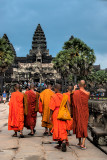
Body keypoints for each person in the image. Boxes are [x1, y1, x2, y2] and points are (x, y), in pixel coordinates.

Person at [49, 84, 68, 152]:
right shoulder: (64, 96)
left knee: (57, 128)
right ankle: (63, 141)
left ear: (56, 89)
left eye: (54, 88)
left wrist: (50, 116)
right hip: (63, 113)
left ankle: (61, 143)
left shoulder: (53, 96)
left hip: (56, 113)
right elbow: (67, 106)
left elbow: (51, 107)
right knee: (63, 128)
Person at [73, 80, 90, 149]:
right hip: (85, 112)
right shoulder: (88, 93)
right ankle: (83, 143)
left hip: (78, 112)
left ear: (78, 85)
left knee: (78, 125)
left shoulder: (75, 92)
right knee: (84, 125)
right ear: (85, 85)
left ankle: (80, 142)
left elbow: (72, 100)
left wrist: (74, 89)